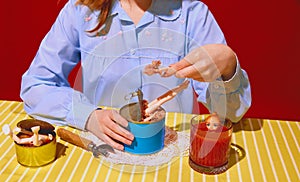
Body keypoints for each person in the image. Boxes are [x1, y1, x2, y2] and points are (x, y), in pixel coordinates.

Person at [20, 0, 251, 150]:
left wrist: (228, 68)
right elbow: (35, 86)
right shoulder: (80, 11)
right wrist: (87, 116)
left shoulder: (193, 14)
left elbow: (231, 113)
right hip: (103, 153)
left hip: (170, 157)